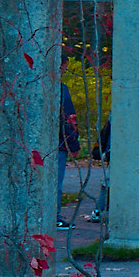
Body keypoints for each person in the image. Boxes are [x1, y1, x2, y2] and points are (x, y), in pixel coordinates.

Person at [56, 82, 80, 229]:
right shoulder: (60, 89)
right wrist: (72, 143)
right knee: (56, 182)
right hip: (59, 144)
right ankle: (55, 216)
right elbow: (69, 119)